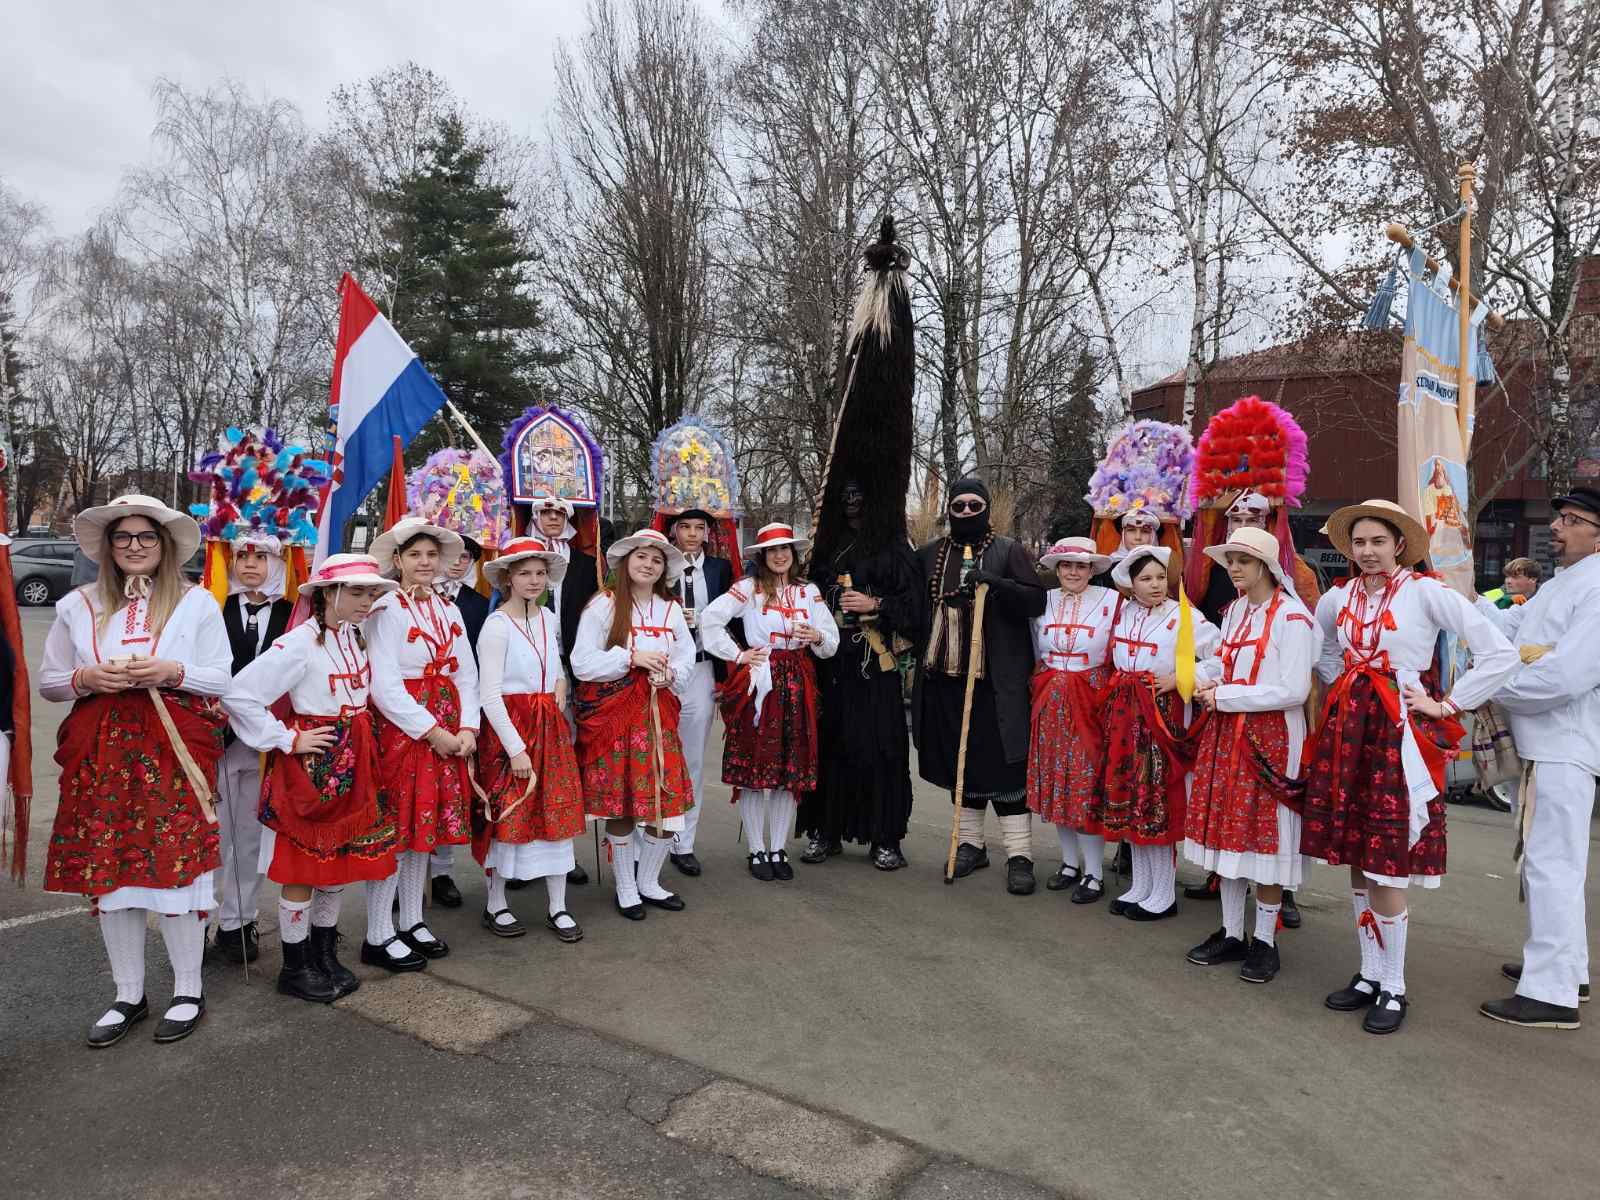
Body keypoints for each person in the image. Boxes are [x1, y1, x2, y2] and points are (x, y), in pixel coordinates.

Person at [1303, 499, 1516, 1034]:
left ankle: (1394, 985)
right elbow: (1324, 651)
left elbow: (1499, 653)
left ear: (1399, 545)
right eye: (1359, 543)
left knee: (1387, 861)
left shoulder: (1426, 593)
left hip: (1399, 734)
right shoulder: (1338, 597)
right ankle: (1369, 972)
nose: (1368, 552)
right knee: (1356, 853)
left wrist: (1446, 705)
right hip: (1350, 730)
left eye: (1378, 541)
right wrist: (1342, 683)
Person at [41, 494, 231, 1047]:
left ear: (164, 544)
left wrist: (173, 670)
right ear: (108, 547)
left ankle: (188, 989)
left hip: (169, 749)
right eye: (122, 538)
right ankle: (128, 993)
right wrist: (87, 679)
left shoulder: (196, 603)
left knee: (173, 873)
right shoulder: (76, 604)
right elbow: (52, 680)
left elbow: (221, 677)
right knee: (114, 874)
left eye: (145, 536)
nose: (133, 546)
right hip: (102, 754)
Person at [223, 554, 404, 999]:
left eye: (372, 592)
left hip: (356, 759)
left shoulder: (354, 636)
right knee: (302, 869)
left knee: (336, 865)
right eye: (358, 592)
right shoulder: (299, 644)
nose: (368, 601)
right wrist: (286, 738)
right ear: (328, 594)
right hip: (316, 767)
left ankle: (325, 953)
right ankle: (295, 964)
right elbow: (241, 694)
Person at [1479, 489, 1600, 1029]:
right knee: (1553, 864)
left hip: (1564, 744)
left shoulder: (1596, 587)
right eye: (1560, 516)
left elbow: (1567, 674)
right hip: (1546, 743)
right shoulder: (1565, 583)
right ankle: (1566, 970)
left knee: (1553, 865)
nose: (1557, 526)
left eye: (1573, 520)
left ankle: (1551, 993)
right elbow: (1519, 640)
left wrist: (1497, 687)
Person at [1184, 527, 1318, 983]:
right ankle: (1231, 932)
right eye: (1230, 560)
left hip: (1272, 737)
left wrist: (1226, 697)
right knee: (1230, 832)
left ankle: (1265, 940)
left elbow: (1293, 689)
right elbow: (1223, 660)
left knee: (1266, 837)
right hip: (1228, 732)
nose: (1234, 568)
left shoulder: (1293, 618)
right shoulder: (1236, 610)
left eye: (1243, 560)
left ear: (1266, 565)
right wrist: (1202, 675)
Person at [913, 478, 1048, 894]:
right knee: (962, 765)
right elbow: (913, 605)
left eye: (975, 505)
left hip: (998, 681)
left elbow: (1036, 601)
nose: (967, 512)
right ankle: (971, 844)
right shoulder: (931, 555)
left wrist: (997, 583)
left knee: (1005, 767)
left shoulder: (1009, 550)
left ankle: (1020, 854)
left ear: (986, 509)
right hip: (947, 679)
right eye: (960, 505)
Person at [363, 516, 480, 967]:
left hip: (449, 726)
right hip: (405, 730)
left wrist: (468, 727)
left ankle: (411, 919)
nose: (425, 562)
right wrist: (433, 732)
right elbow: (384, 685)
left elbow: (466, 672)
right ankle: (378, 931)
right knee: (395, 828)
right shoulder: (384, 610)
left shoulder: (449, 608)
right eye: (415, 555)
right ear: (397, 561)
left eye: (432, 555)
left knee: (422, 831)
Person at [701, 522, 840, 881]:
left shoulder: (809, 592)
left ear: (794, 555)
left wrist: (817, 634)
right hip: (761, 679)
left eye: (786, 550)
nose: (780, 556)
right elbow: (710, 620)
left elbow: (831, 642)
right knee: (753, 768)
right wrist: (739, 654)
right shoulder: (748, 589)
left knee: (786, 771)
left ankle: (777, 847)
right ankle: (756, 849)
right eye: (773, 551)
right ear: (762, 557)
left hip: (798, 680)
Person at [570, 528, 695, 919]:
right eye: (642, 557)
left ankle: (650, 882)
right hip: (619, 719)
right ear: (626, 562)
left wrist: (671, 674)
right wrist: (630, 659)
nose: (649, 565)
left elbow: (687, 658)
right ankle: (626, 886)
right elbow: (581, 662)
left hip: (659, 717)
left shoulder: (672, 609)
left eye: (657, 560)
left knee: (665, 805)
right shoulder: (604, 605)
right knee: (622, 807)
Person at [802, 479, 924, 870]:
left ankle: (884, 837)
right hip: (831, 662)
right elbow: (805, 596)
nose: (852, 502)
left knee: (882, 749)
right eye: (846, 496)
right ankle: (826, 829)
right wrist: (829, 598)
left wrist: (877, 604)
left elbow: (916, 606)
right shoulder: (825, 549)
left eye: (860, 495)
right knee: (831, 745)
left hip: (877, 664)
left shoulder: (895, 547)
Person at [472, 536, 586, 942]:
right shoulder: (496, 626)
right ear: (507, 578)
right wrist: (515, 748)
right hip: (512, 728)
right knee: (511, 813)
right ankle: (496, 903)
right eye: (525, 573)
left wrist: (559, 681)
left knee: (557, 810)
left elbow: (556, 660)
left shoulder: (547, 617)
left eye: (540, 573)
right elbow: (488, 694)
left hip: (548, 725)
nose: (534, 580)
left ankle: (558, 906)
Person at [1099, 546, 1220, 921]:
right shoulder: (1124, 614)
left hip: (1162, 718)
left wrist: (1184, 676)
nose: (1155, 585)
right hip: (1125, 715)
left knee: (1157, 801)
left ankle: (1164, 893)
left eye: (1159, 577)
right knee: (1132, 797)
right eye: (1146, 579)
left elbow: (1223, 655)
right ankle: (1142, 885)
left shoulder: (1185, 616)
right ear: (1131, 584)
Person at [213, 534, 293, 966]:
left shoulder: (291, 614)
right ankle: (200, 917)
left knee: (251, 838)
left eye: (260, 556)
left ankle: (238, 922)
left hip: (267, 743)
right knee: (214, 834)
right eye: (242, 556)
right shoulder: (214, 608)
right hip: (219, 739)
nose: (250, 565)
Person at [1025, 537, 1116, 901]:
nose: (1073, 572)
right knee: (1058, 783)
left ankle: (1094, 872)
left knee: (1084, 783)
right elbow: (1034, 647)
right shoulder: (1043, 602)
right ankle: (1068, 863)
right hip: (1050, 698)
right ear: (1057, 569)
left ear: (1092, 569)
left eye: (1081, 565)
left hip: (1091, 699)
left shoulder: (1112, 602)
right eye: (1066, 565)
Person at [529, 489, 596, 888]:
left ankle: (563, 854)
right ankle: (521, 850)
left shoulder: (588, 564)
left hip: (574, 670)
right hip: (527, 677)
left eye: (559, 511)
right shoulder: (517, 561)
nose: (553, 517)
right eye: (545, 510)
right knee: (527, 762)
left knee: (566, 765)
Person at [664, 508, 733, 877]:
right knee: (658, 753)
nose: (692, 534)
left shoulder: (721, 570)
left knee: (691, 759)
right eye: (685, 527)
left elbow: (734, 620)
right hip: (665, 670)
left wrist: (728, 677)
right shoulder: (659, 563)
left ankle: (684, 842)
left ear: (707, 533)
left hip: (703, 670)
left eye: (699, 528)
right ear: (674, 531)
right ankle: (651, 837)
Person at [426, 533, 489, 910]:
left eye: (467, 557)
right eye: (452, 555)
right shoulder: (403, 602)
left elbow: (474, 661)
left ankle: (443, 871)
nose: (457, 562)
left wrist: (470, 715)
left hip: (457, 704)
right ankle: (409, 877)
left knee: (451, 791)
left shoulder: (477, 604)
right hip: (419, 707)